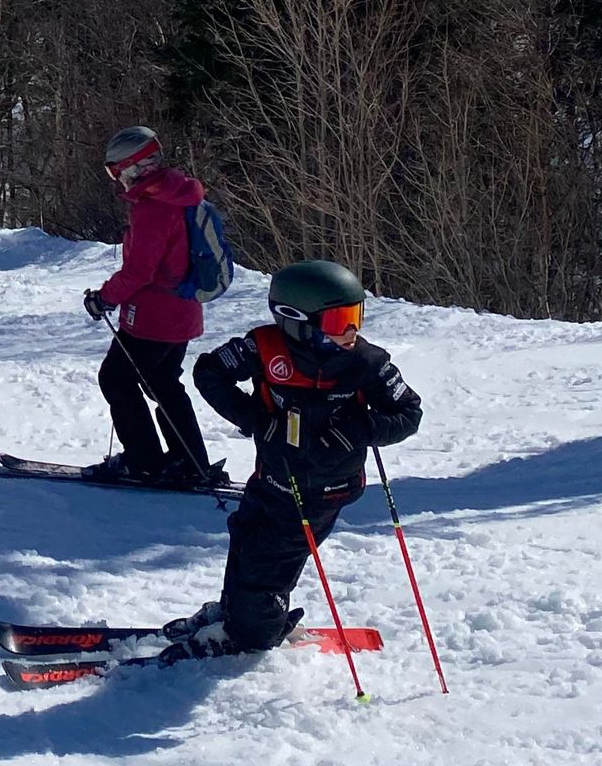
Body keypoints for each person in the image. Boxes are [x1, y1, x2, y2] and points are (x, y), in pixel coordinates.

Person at [175, 259, 423, 657]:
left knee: (266, 568)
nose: (351, 330)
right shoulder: (264, 346)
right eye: (339, 319)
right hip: (272, 477)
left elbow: (409, 413)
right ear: (296, 320)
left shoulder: (367, 363)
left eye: (356, 315)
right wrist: (255, 418)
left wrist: (361, 429)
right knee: (245, 541)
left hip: (323, 491)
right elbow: (209, 372)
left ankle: (255, 633)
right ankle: (234, 612)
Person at [80, 126, 218, 488]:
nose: (116, 179)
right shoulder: (178, 194)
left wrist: (104, 298)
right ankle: (191, 462)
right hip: (183, 311)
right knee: (162, 381)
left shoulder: (154, 208)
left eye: (115, 171)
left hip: (155, 317)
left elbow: (140, 271)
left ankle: (144, 462)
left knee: (116, 378)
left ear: (132, 167)